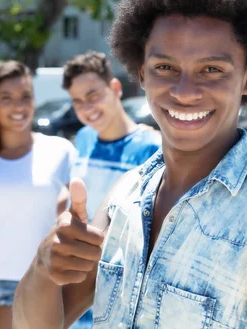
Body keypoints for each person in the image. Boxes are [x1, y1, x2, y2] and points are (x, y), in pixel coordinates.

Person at [13, 0, 247, 329]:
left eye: (211, 69)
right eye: (165, 67)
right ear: (140, 73)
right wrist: (44, 265)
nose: (185, 91)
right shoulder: (123, 198)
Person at [0, 61, 76, 329]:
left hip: (29, 278)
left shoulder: (59, 150)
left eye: (25, 97)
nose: (18, 106)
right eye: (6, 98)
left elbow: (86, 198)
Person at [62, 51, 160, 328]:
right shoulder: (83, 138)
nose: (87, 107)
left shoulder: (153, 147)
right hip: (79, 283)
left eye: (93, 95)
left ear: (115, 88)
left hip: (123, 289)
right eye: (77, 101)